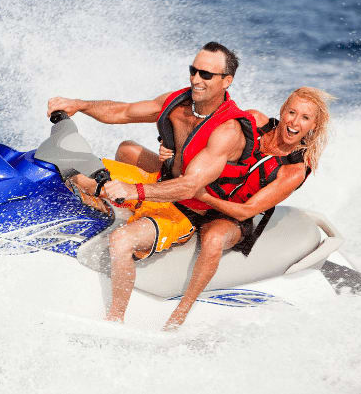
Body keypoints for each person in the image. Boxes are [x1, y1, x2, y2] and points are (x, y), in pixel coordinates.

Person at [48, 41, 258, 325]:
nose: (196, 79)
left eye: (206, 75)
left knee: (121, 241)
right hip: (158, 183)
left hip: (185, 209)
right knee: (72, 169)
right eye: (193, 70)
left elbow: (189, 186)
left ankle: (115, 320)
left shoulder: (228, 130)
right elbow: (122, 112)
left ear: (226, 81)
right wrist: (80, 105)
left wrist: (133, 191)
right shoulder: (178, 104)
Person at [158, 87, 334, 328]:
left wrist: (201, 195)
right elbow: (200, 140)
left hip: (231, 213)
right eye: (292, 112)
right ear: (282, 112)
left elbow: (246, 211)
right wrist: (169, 150)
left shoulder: (294, 169)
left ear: (313, 125)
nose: (295, 122)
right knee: (129, 150)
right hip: (203, 186)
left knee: (214, 239)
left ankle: (181, 311)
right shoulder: (253, 121)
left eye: (305, 118)